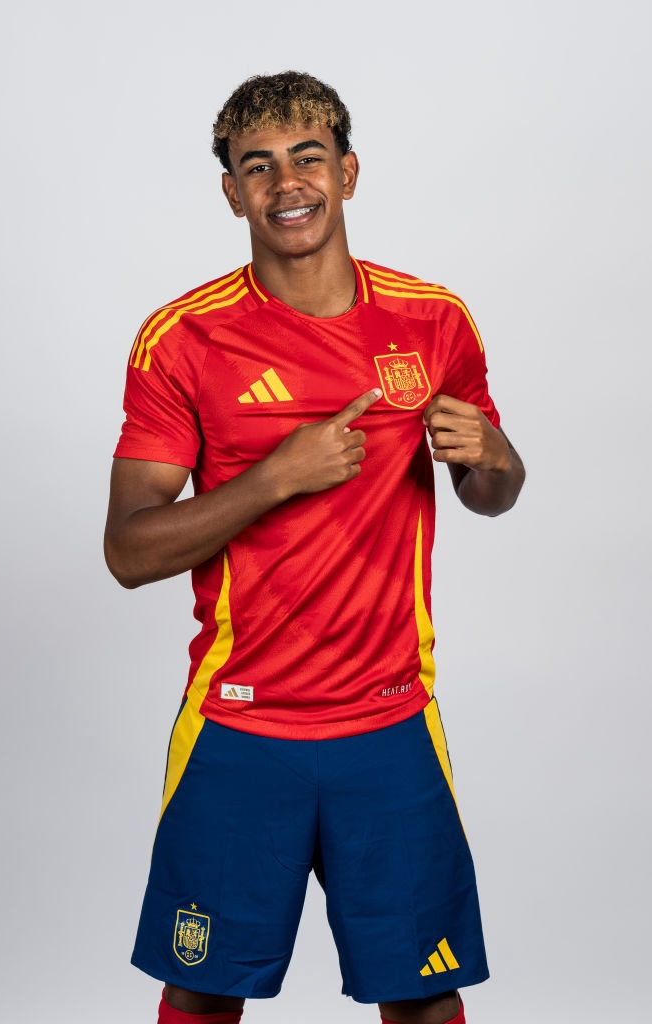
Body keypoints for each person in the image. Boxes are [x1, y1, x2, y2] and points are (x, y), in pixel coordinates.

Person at [105, 71, 525, 1024]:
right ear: (231, 193)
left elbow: (487, 492)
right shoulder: (184, 339)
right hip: (238, 725)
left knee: (422, 997)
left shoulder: (432, 320)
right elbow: (128, 551)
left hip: (390, 720)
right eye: (257, 166)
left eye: (306, 158)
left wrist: (498, 457)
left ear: (347, 172)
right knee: (202, 991)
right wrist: (272, 478)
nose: (285, 183)